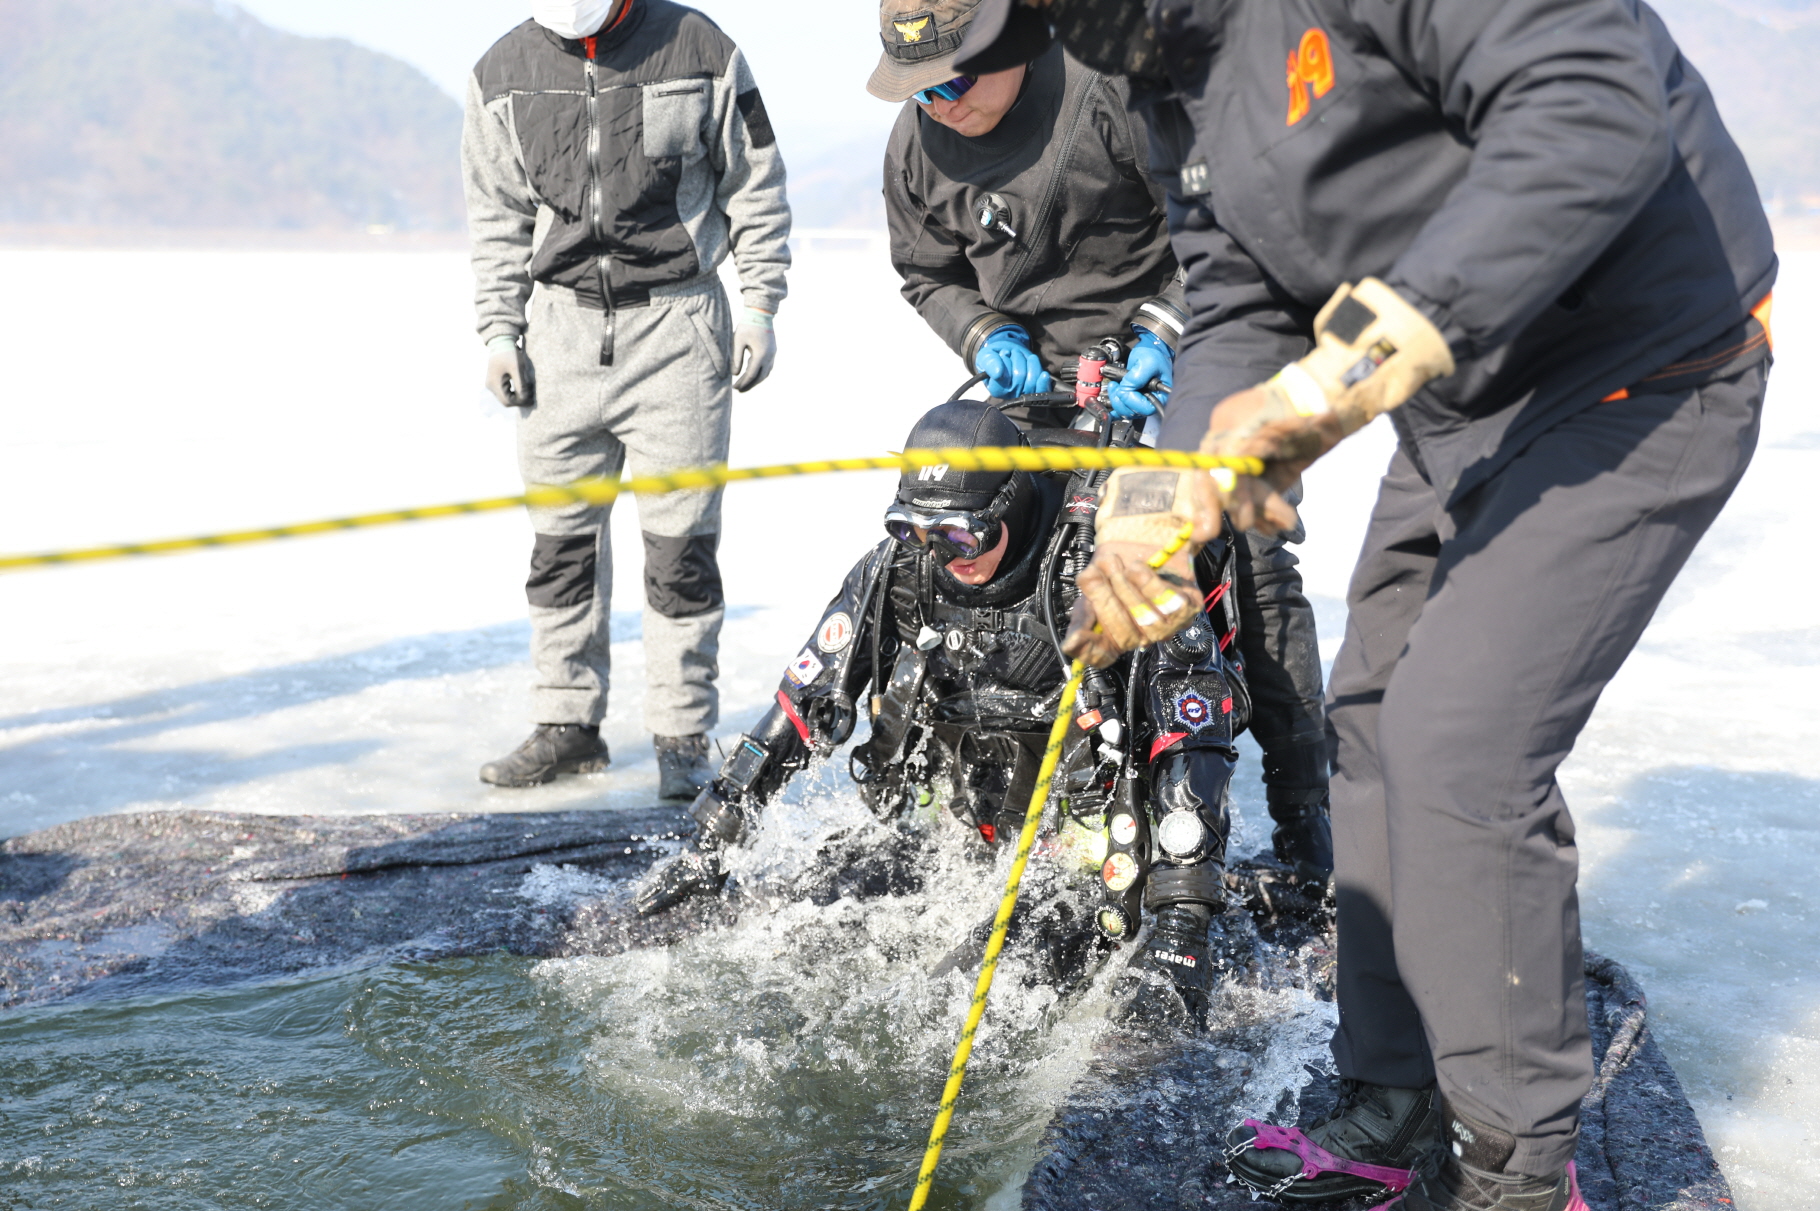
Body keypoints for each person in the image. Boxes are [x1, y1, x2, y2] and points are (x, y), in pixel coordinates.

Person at [955, 2, 1775, 1208]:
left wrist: (1345, 371)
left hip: (1637, 369)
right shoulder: (1150, 55)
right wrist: (1158, 494)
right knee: (1376, 728)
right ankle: (1394, 1102)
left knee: (1458, 750)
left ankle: (1516, 1177)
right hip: (1461, 407)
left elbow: (1589, 110)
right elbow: (1232, 291)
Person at [870, 0, 1334, 885]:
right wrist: (982, 334)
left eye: (953, 83)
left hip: (1186, 360)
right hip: (1038, 390)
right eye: (918, 91)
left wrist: (1165, 329)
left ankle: (1303, 818)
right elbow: (925, 271)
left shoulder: (1107, 86)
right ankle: (1033, 808)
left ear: (1003, 41)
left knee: (1250, 564)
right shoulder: (917, 143)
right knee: (995, 561)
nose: (939, 105)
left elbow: (1222, 222)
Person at [634, 398, 1256, 1027]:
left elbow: (1193, 740)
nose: (944, 554)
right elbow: (803, 700)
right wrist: (711, 841)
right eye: (916, 531)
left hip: (1081, 854)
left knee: (952, 1006)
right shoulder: (904, 570)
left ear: (1011, 504)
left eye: (963, 535)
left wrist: (1181, 927)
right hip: (960, 840)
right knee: (799, 932)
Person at [462, 0, 790, 798]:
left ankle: (683, 736)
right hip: (558, 335)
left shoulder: (700, 48)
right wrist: (500, 330)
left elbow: (756, 183)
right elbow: (496, 214)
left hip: (677, 330)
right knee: (560, 545)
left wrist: (759, 306)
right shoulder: (499, 73)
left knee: (681, 549)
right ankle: (567, 723)